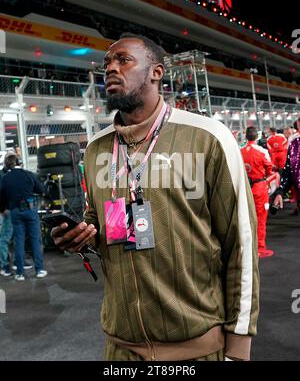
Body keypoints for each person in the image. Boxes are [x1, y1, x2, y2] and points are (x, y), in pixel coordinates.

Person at [51, 33, 259, 361]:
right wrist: (81, 238)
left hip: (196, 348)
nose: (110, 69)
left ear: (156, 72)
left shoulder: (208, 137)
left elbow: (241, 245)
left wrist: (239, 345)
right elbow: (101, 224)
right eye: (106, 64)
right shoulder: (95, 149)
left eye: (123, 60)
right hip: (121, 348)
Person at [0, 153, 47, 281]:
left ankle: (20, 273)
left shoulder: (5, 179)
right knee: (35, 240)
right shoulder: (28, 174)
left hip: (15, 212)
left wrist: (3, 209)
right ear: (20, 162)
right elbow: (41, 190)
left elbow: (2, 198)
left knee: (18, 242)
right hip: (30, 210)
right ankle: (39, 270)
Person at [241, 127, 274, 258]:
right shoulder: (262, 151)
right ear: (257, 137)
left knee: (246, 217)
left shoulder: (240, 151)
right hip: (259, 187)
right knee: (260, 217)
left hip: (245, 187)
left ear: (246, 137)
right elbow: (269, 167)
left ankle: (247, 246)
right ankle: (260, 247)